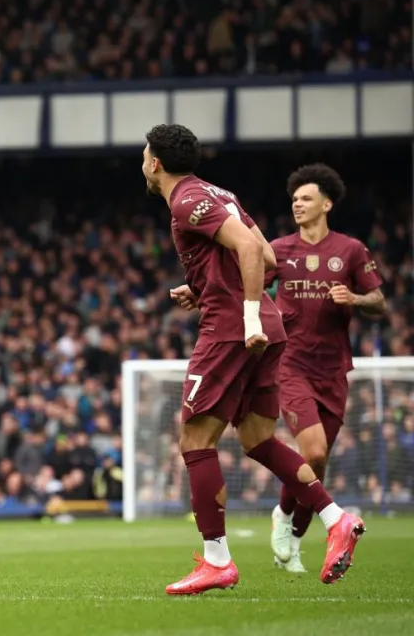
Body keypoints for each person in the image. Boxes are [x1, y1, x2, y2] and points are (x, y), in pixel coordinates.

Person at [147, 124, 364, 594]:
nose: (143, 162)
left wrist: (245, 317)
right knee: (258, 438)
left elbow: (250, 250)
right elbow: (268, 256)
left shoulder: (186, 200)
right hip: (270, 325)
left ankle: (217, 560)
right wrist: (205, 287)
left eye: (144, 155)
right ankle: (336, 518)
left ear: (155, 163)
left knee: (194, 439)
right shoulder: (219, 192)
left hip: (232, 332)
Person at [264, 164, 385, 573]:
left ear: (327, 204)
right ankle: (282, 519)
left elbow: (379, 301)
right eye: (294, 199)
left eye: (306, 198)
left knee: (316, 463)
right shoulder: (279, 249)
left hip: (334, 369)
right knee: (311, 450)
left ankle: (294, 538)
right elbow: (243, 275)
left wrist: (354, 297)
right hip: (291, 363)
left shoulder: (349, 250)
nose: (297, 204)